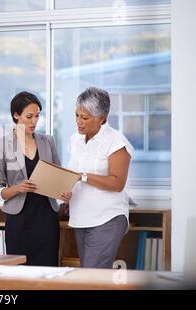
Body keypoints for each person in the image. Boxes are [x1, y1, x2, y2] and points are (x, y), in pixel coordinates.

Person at [0, 91, 71, 266]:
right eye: (29, 116)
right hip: (19, 220)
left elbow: (59, 177)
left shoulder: (48, 141)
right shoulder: (1, 145)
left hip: (47, 218)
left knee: (48, 271)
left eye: (37, 116)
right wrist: (18, 187)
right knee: (18, 273)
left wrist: (64, 194)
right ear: (16, 115)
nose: (35, 121)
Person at [65, 86, 134, 269]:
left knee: (92, 276)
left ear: (102, 118)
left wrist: (83, 176)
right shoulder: (75, 140)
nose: (79, 122)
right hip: (79, 217)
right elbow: (72, 176)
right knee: (90, 277)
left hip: (107, 218)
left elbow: (117, 183)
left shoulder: (116, 142)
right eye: (77, 116)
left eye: (85, 118)